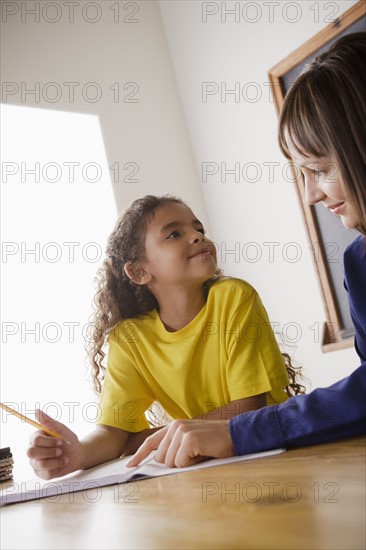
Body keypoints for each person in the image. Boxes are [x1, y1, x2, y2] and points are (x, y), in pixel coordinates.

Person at [127, 31, 366, 469]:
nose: (312, 194)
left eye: (321, 168)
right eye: (303, 173)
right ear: (138, 272)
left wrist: (239, 431)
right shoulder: (359, 262)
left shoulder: (234, 297)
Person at [27, 194, 302, 479]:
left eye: (199, 229)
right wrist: (79, 453)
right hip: (205, 468)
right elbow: (115, 434)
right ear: (139, 271)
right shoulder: (129, 338)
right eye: (174, 233)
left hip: (273, 458)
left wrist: (156, 436)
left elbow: (248, 409)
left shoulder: (234, 297)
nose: (197, 236)